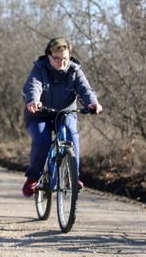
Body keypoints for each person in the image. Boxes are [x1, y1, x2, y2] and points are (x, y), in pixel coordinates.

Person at [21, 37, 102, 197]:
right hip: (39, 114)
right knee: (42, 140)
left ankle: (73, 175)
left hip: (66, 113)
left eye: (64, 58)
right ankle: (33, 177)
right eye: (57, 58)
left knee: (71, 136)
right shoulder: (39, 68)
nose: (61, 62)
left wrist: (92, 103)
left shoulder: (74, 70)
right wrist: (33, 101)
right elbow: (33, 86)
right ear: (49, 55)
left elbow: (85, 90)